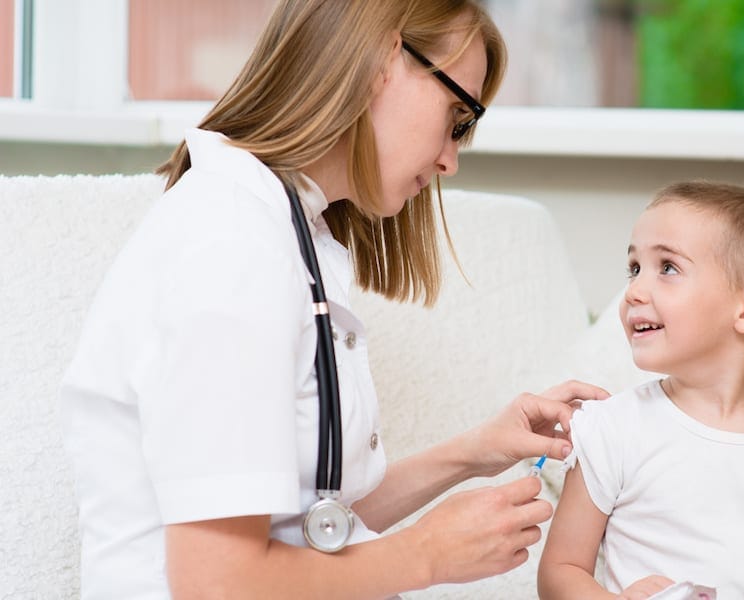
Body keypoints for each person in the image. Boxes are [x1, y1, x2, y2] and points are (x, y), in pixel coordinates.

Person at [59, 1, 608, 598]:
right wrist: (426, 553)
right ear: (383, 59)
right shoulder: (231, 247)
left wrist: (474, 453)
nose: (451, 159)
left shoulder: (284, 230)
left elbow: (311, 524)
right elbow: (217, 584)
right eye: (457, 115)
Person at [538, 181, 744, 600]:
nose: (634, 291)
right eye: (635, 268)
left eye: (668, 268)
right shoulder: (612, 427)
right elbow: (560, 571)